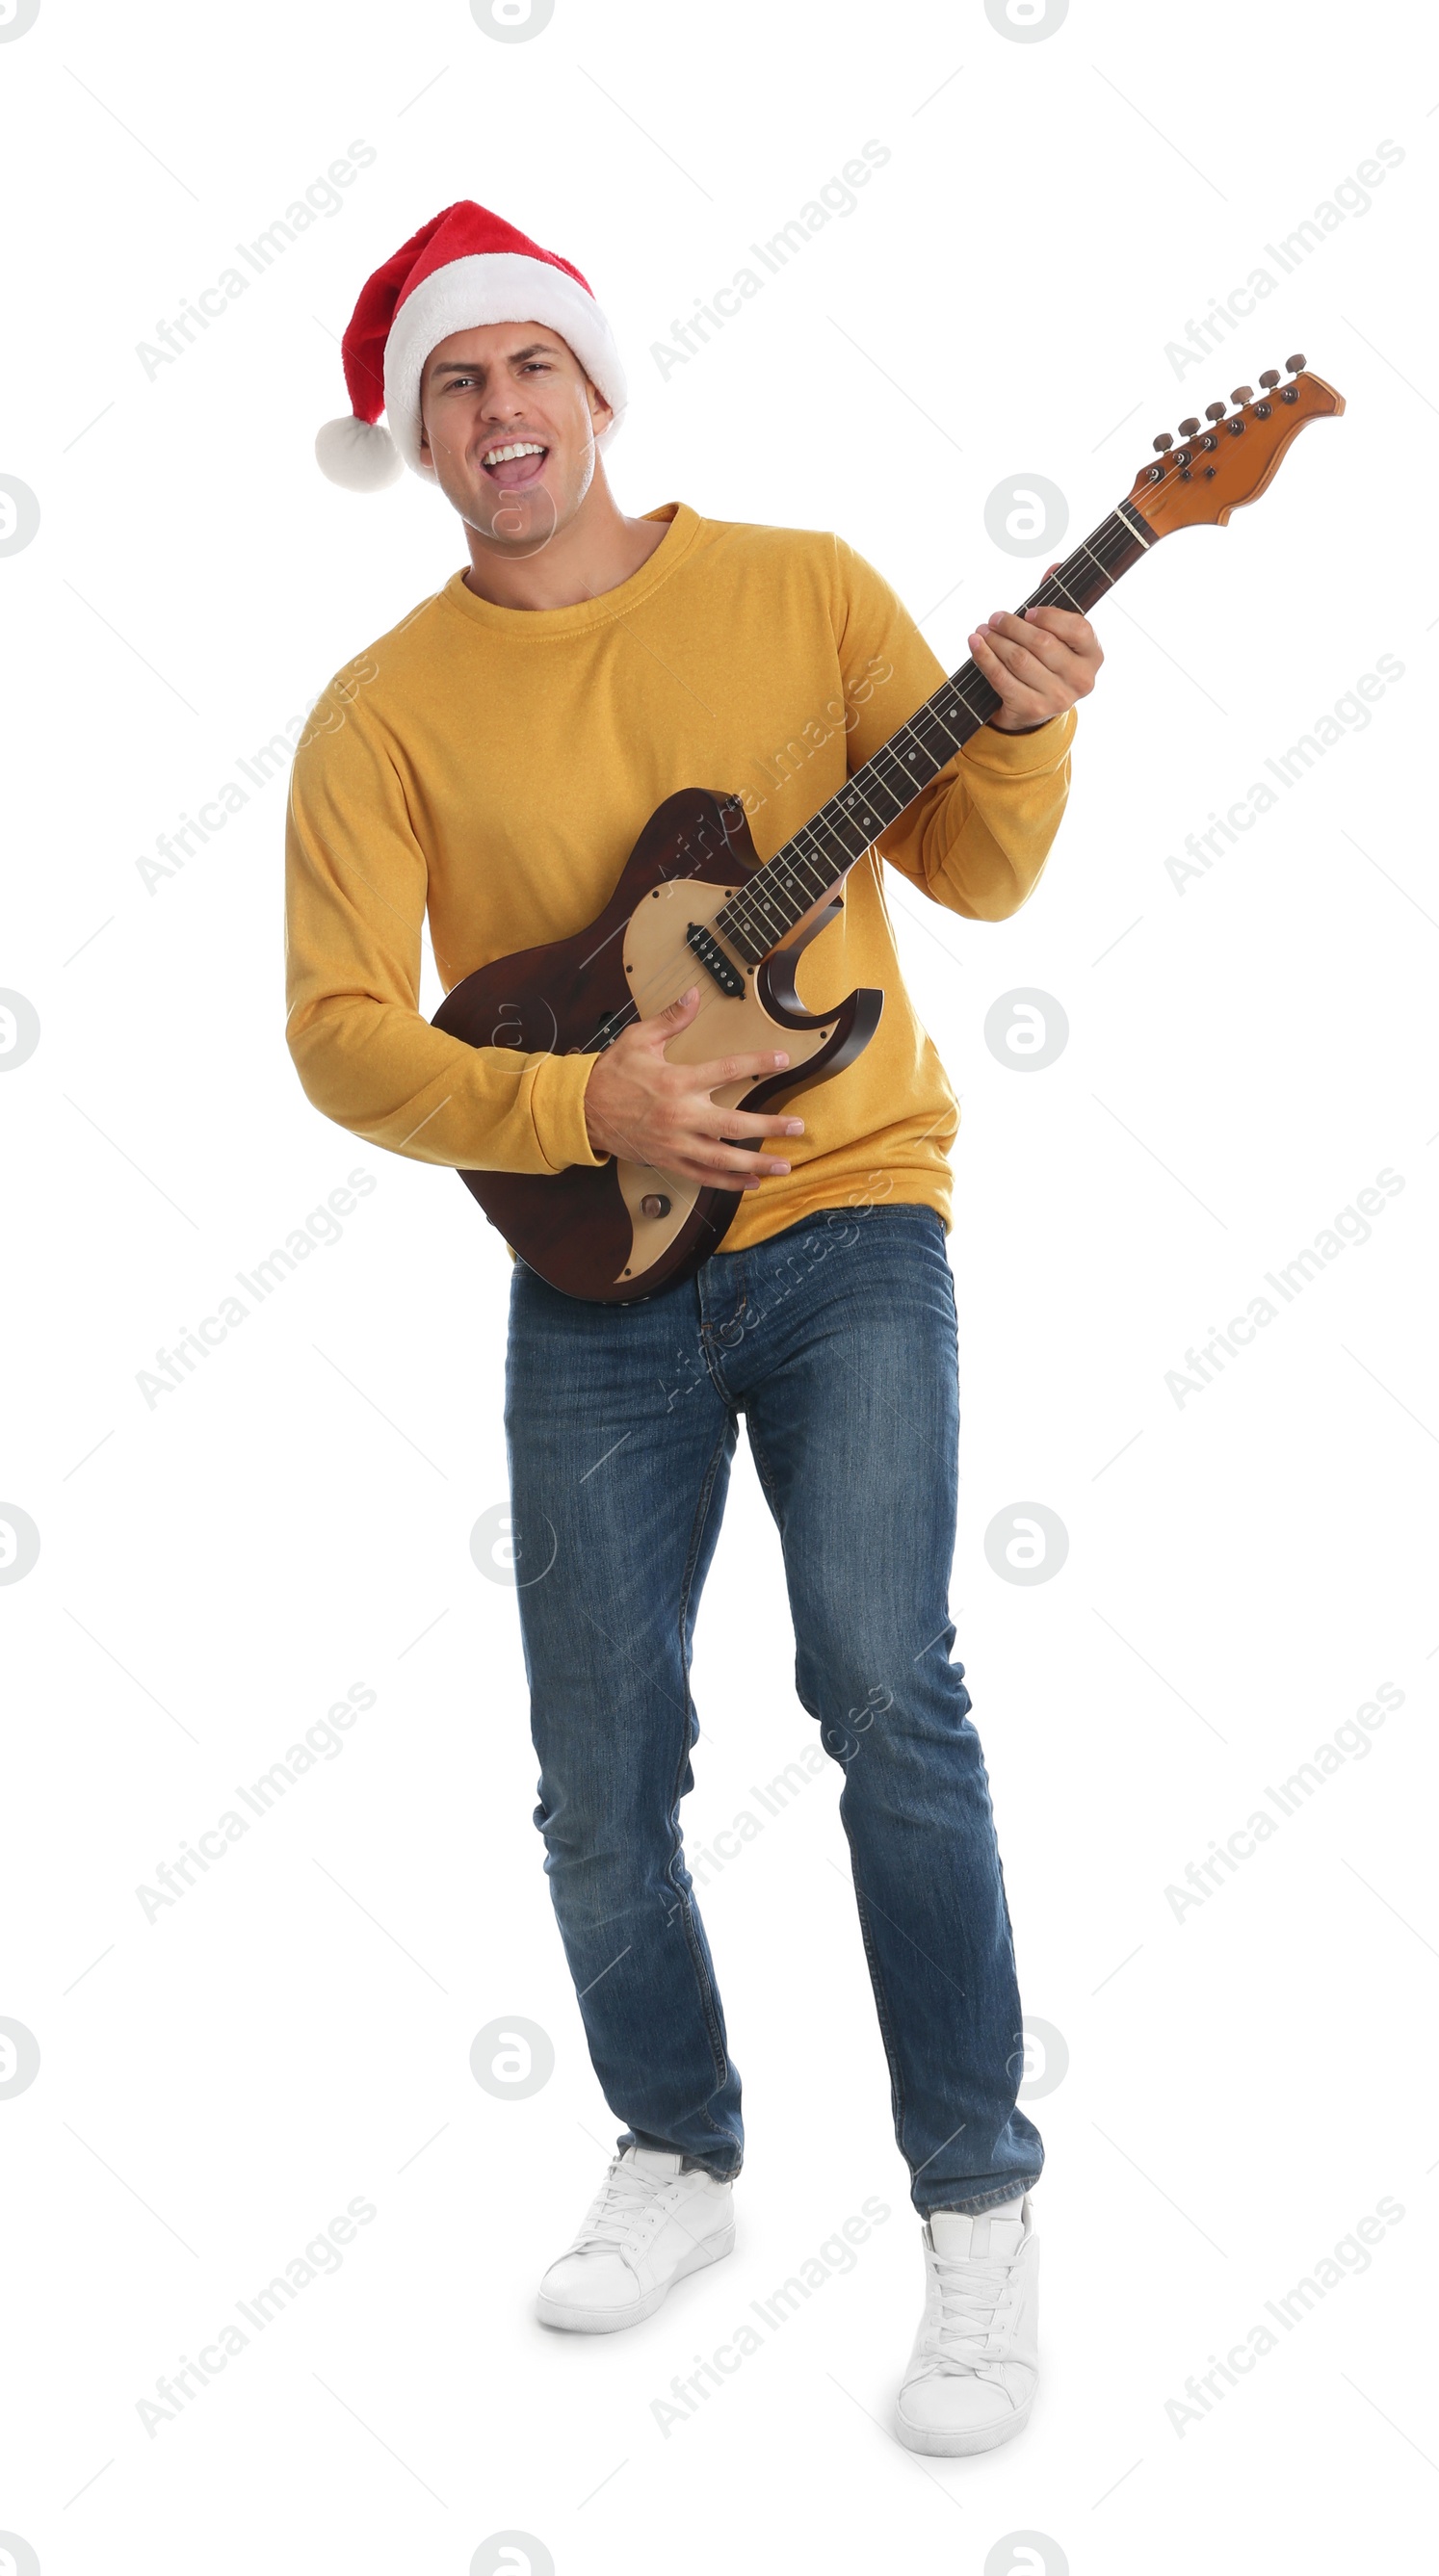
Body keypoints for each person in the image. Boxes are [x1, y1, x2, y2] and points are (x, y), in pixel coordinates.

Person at [285, 200, 1102, 2459]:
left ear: (596, 384)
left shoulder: (802, 588)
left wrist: (1015, 729)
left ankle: (975, 2212)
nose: (499, 413)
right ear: (415, 437)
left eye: (527, 365)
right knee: (593, 1766)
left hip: (850, 1217)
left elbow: (978, 870)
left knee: (884, 1688)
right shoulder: (378, 717)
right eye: (452, 386)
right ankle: (677, 2147)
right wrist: (585, 1097)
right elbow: (336, 1036)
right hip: (595, 1270)